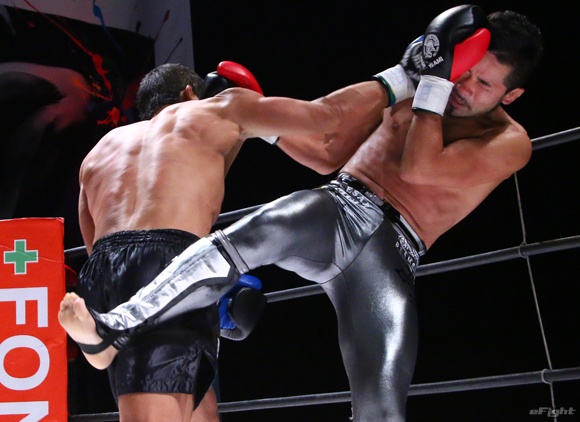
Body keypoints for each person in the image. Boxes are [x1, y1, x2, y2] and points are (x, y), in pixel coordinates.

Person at [59, 5, 544, 421]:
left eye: (484, 82)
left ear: (511, 95)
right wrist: (264, 120)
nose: (464, 85)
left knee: (382, 405)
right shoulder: (422, 89)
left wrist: (428, 82)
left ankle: (123, 322)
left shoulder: (508, 141)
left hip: (394, 251)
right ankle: (118, 324)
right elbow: (328, 154)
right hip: (339, 207)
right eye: (464, 69)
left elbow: (419, 168)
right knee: (246, 237)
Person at [58, 56, 389, 422]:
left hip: (104, 274)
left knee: (200, 411)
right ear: (191, 93)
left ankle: (105, 337)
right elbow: (329, 128)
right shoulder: (217, 110)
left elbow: (95, 246)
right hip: (168, 264)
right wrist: (403, 79)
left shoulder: (100, 150)